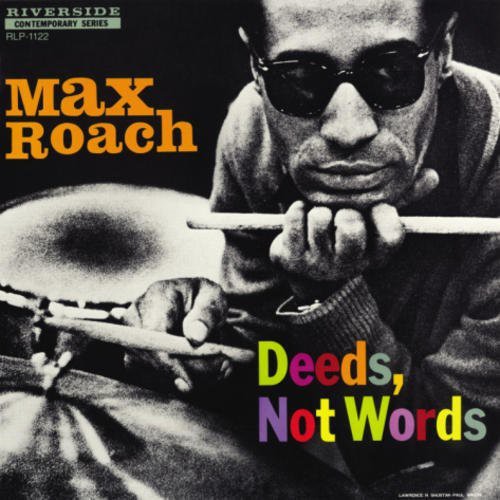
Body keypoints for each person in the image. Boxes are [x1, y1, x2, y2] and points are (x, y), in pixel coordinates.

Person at [124, 0, 500, 488]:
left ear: (444, 51)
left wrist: (328, 297)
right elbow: (278, 390)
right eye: (299, 79)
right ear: (256, 68)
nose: (348, 130)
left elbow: (442, 450)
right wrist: (203, 345)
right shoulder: (254, 134)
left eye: (391, 72)